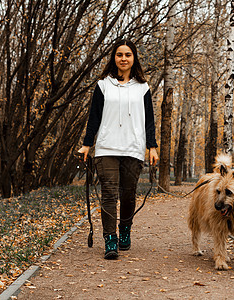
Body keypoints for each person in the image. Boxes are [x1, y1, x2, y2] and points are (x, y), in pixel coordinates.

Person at [78, 39, 159, 260]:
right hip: (106, 148)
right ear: (114, 58)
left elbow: (149, 121)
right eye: (119, 55)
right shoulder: (103, 85)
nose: (123, 58)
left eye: (128, 55)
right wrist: (87, 145)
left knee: (128, 194)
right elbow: (93, 118)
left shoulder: (143, 88)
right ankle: (110, 238)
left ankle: (125, 230)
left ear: (134, 58)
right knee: (109, 195)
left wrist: (152, 147)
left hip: (133, 147)